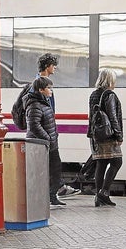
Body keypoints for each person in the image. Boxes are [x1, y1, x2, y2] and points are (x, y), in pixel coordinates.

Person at [36, 53, 81, 199]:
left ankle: (55, 193)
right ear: (47, 66)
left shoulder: (44, 82)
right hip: (47, 131)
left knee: (53, 162)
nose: (55, 68)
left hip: (49, 130)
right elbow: (41, 110)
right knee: (53, 162)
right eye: (53, 65)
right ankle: (55, 191)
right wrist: (48, 133)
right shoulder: (39, 84)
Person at [23, 76, 65, 207]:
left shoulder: (44, 102)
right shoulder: (34, 105)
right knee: (41, 172)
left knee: (55, 170)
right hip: (41, 144)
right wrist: (48, 138)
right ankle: (42, 197)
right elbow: (34, 125)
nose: (51, 90)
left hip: (50, 143)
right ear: (41, 90)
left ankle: (52, 196)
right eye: (49, 88)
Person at [88, 69, 123, 207]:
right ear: (110, 80)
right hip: (109, 135)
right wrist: (119, 134)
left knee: (101, 163)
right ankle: (104, 192)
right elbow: (113, 117)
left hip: (96, 134)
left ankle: (99, 196)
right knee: (117, 162)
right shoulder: (110, 95)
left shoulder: (93, 94)